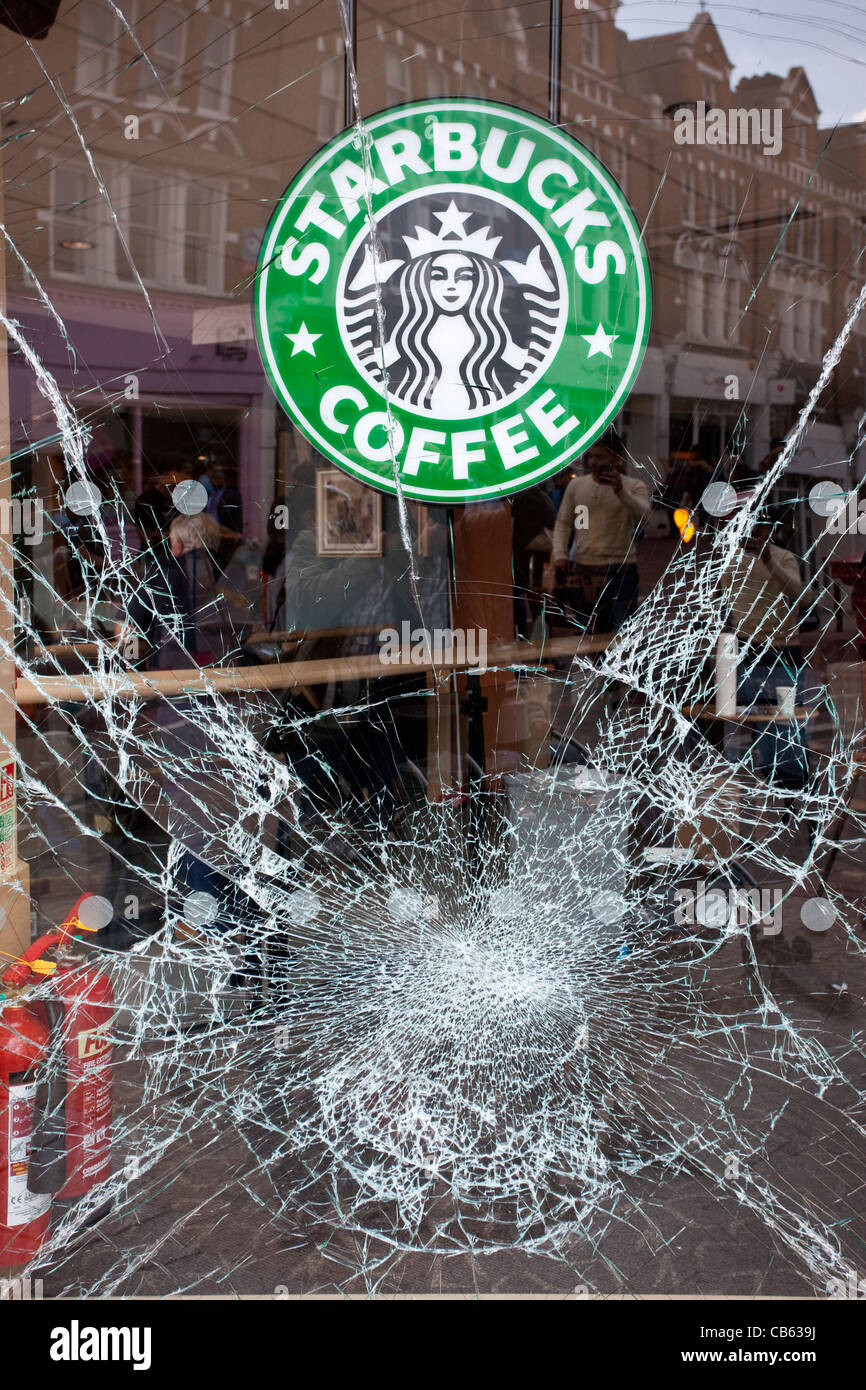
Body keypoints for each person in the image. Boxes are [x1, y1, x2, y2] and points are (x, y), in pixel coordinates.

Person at [721, 518, 814, 789]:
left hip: (783, 651)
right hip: (749, 651)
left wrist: (768, 560)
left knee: (788, 722)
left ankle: (797, 784)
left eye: (758, 529)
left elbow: (802, 596)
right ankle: (774, 782)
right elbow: (717, 597)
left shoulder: (783, 558)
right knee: (762, 722)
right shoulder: (730, 560)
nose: (752, 535)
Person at [551, 430, 651, 632]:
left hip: (621, 570)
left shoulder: (634, 486)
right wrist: (560, 554)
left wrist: (620, 491)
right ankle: (597, 664)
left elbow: (645, 518)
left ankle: (621, 664)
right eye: (591, 456)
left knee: (623, 628)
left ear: (617, 458)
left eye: (600, 456)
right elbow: (563, 522)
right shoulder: (577, 485)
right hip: (585, 567)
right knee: (591, 629)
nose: (594, 461)